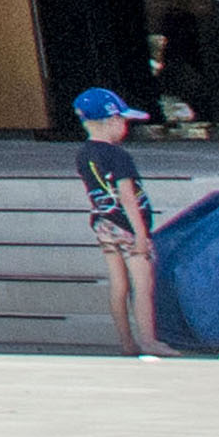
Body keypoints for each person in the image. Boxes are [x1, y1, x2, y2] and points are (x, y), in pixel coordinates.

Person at [71, 85, 165, 357]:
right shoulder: (118, 155)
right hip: (126, 225)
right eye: (123, 120)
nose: (125, 127)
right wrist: (140, 234)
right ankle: (149, 340)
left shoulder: (84, 154)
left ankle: (126, 342)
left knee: (118, 284)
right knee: (142, 284)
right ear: (112, 121)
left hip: (103, 223)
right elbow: (127, 196)